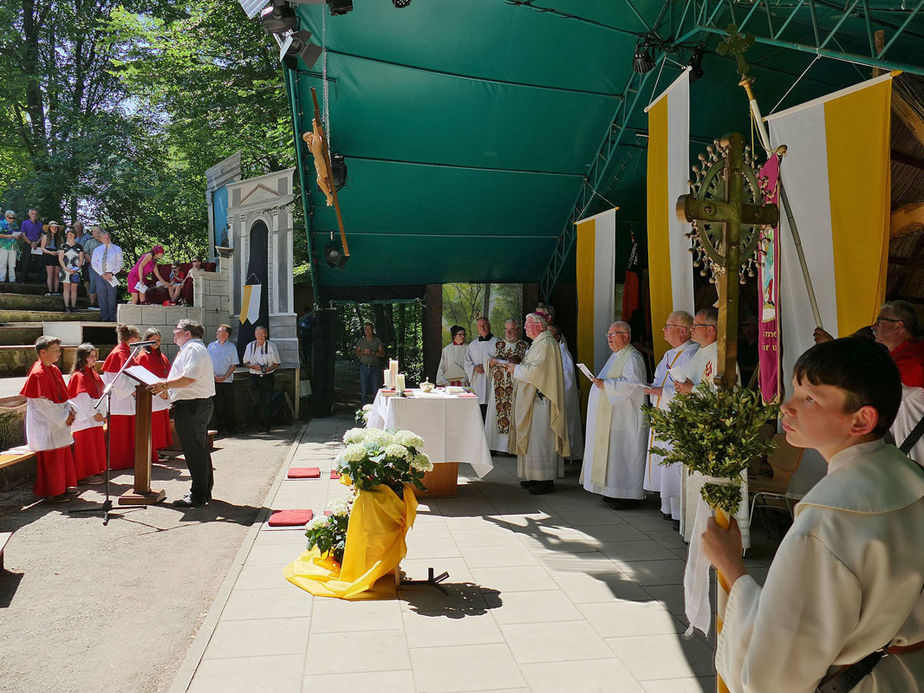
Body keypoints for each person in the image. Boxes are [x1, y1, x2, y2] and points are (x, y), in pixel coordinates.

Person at [703, 338, 924, 693]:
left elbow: (774, 677)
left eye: (809, 398)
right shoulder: (912, 484)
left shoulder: (825, 525)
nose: (786, 408)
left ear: (861, 419)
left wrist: (732, 568)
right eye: (793, 391)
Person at [675, 308, 744, 542]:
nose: (692, 329)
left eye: (697, 325)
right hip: (699, 426)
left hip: (718, 430)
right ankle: (696, 531)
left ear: (711, 330)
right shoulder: (699, 354)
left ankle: (715, 532)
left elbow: (726, 395)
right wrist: (685, 388)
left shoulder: (722, 356)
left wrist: (691, 389)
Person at [580, 321, 648, 507]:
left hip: (625, 418)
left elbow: (633, 384)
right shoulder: (617, 356)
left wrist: (606, 385)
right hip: (614, 418)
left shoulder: (632, 357)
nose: (609, 338)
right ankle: (612, 491)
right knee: (614, 456)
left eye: (613, 334)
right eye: (608, 335)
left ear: (626, 336)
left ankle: (628, 495)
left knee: (624, 454)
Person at [149, 319, 216, 507]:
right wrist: (167, 389)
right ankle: (203, 491)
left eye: (177, 330)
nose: (173, 333)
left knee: (195, 451)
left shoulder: (193, 349)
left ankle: (198, 495)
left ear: (187, 333)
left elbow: (189, 378)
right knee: (198, 449)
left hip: (193, 405)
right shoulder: (191, 349)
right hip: (192, 404)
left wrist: (164, 385)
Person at [642, 311, 699, 526]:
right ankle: (667, 507)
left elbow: (691, 391)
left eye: (668, 325)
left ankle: (680, 512)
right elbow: (660, 380)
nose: (663, 330)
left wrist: (661, 393)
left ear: (683, 331)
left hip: (679, 419)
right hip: (663, 417)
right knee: (665, 462)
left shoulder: (692, 355)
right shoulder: (668, 354)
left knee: (676, 465)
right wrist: (652, 388)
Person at [507, 313, 570, 494]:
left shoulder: (548, 343)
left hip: (542, 401)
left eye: (527, 325)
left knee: (541, 440)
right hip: (532, 401)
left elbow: (539, 371)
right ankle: (534, 476)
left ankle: (545, 479)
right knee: (533, 439)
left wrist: (516, 369)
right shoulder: (538, 343)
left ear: (539, 326)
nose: (525, 328)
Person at [21, 336, 78, 501]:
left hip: (59, 420)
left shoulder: (54, 369)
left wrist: (71, 411)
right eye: (55, 351)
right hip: (45, 423)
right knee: (52, 457)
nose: (59, 354)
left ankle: (65, 485)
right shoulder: (37, 374)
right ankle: (52, 491)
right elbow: (43, 404)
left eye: (59, 350)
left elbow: (64, 396)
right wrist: (64, 417)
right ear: (43, 352)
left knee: (63, 453)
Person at [484, 319, 528, 453]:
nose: (508, 333)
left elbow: (528, 365)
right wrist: (490, 363)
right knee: (496, 413)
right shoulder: (497, 344)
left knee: (513, 413)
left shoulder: (524, 346)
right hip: (498, 385)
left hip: (514, 385)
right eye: (506, 330)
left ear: (518, 330)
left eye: (512, 330)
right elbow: (487, 360)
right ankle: (495, 446)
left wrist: (518, 362)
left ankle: (511, 447)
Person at [101, 323, 140, 470]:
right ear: (133, 339)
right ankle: (118, 462)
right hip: (120, 402)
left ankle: (128, 460)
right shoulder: (118, 354)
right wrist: (133, 390)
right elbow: (116, 379)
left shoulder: (125, 352)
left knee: (127, 434)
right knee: (120, 436)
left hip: (127, 400)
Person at [67, 343, 106, 483]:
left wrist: (102, 413)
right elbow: (81, 399)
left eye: (95, 356)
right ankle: (84, 475)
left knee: (94, 446)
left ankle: (95, 471)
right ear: (83, 358)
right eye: (91, 357)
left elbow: (101, 394)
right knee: (85, 447)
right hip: (85, 418)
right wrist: (93, 414)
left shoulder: (93, 373)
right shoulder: (78, 376)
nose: (94, 359)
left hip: (94, 416)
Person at [136, 328, 173, 461]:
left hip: (162, 394)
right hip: (152, 396)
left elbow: (168, 373)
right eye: (153, 340)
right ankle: (152, 452)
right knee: (154, 425)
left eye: (158, 340)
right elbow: (144, 378)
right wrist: (160, 391)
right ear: (146, 340)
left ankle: (157, 450)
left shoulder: (161, 356)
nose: (156, 343)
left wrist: (166, 389)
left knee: (160, 425)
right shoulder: (143, 356)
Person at [548, 324, 583, 459]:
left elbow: (566, 376)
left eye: (551, 333)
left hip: (563, 395)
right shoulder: (550, 350)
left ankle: (568, 453)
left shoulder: (563, 353)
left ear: (557, 337)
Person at [872, 300, 924, 388]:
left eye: (879, 321)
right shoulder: (901, 355)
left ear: (898, 326)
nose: (873, 327)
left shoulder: (913, 364)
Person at [243, 325, 281, 433]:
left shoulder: (271, 346)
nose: (262, 336)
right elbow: (245, 362)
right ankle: (257, 424)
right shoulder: (249, 346)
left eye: (264, 334)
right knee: (256, 401)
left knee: (267, 402)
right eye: (260, 334)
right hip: (254, 376)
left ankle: (266, 426)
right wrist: (253, 366)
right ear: (255, 334)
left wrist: (269, 368)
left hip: (268, 377)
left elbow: (277, 363)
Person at [208, 324, 239, 435]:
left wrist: (225, 376)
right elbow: (207, 362)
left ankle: (230, 428)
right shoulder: (211, 346)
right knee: (216, 405)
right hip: (214, 380)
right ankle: (219, 428)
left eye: (220, 331)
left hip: (226, 381)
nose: (217, 333)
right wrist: (214, 375)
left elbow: (234, 364)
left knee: (228, 405)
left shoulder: (231, 347)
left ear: (226, 334)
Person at [465, 317, 497, 419]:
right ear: (477, 328)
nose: (482, 328)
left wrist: (489, 365)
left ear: (489, 326)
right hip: (477, 382)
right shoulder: (472, 345)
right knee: (478, 413)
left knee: (491, 411)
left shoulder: (497, 343)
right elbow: (467, 363)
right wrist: (474, 368)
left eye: (484, 325)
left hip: (491, 382)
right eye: (480, 326)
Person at [91, 230, 124, 322]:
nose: (107, 239)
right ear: (101, 239)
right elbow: (94, 263)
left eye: (108, 237)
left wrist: (112, 273)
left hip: (112, 275)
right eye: (105, 238)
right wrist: (102, 273)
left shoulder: (117, 249)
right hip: (100, 275)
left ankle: (113, 318)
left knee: (112, 297)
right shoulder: (97, 250)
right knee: (101, 297)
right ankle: (104, 317)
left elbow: (120, 264)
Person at [354, 322, 384, 404]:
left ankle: (376, 409)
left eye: (369, 329)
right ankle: (364, 410)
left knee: (375, 390)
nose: (367, 331)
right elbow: (356, 353)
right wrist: (363, 352)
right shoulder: (361, 341)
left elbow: (382, 354)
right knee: (364, 390)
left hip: (374, 368)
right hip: (363, 368)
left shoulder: (377, 341)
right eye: (366, 329)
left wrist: (372, 353)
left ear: (372, 330)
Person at [57, 227, 84, 313]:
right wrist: (66, 268)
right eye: (68, 234)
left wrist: (75, 269)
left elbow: (81, 259)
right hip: (65, 269)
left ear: (75, 235)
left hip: (76, 270)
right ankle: (66, 306)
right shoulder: (63, 246)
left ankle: (73, 306)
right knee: (66, 288)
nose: (70, 236)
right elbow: (60, 259)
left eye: (72, 234)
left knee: (74, 289)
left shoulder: (79, 246)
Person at [81, 225, 103, 309]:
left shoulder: (104, 242)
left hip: (104, 267)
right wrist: (92, 262)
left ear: (100, 232)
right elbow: (85, 253)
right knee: (93, 283)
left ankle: (102, 302)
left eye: (95, 231)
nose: (93, 233)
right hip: (92, 266)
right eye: (93, 231)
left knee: (102, 284)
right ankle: (93, 303)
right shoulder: (89, 242)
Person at [19, 208, 44, 282]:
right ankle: (24, 280)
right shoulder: (25, 223)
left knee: (39, 263)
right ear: (29, 214)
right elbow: (23, 235)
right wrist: (31, 243)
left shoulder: (40, 224)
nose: (34, 215)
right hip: (28, 244)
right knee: (26, 261)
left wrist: (37, 243)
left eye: (36, 214)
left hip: (38, 245)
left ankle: (40, 281)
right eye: (32, 213)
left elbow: (42, 235)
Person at [40, 221, 62, 295]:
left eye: (56, 227)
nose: (54, 228)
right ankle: (50, 291)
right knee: (50, 274)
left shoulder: (60, 238)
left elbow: (62, 247)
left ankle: (56, 291)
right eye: (53, 227)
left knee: (57, 275)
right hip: (48, 255)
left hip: (57, 255)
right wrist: (50, 253)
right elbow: (42, 248)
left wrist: (58, 252)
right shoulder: (45, 236)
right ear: (49, 228)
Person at [0, 209, 19, 282]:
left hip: (13, 246)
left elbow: (17, 233)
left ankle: (12, 280)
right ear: (6, 217)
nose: (12, 219)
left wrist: (18, 236)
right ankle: (1, 279)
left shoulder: (14, 225)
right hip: (3, 246)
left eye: (13, 218)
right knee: (3, 263)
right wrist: (9, 236)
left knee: (12, 264)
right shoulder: (1, 223)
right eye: (10, 218)